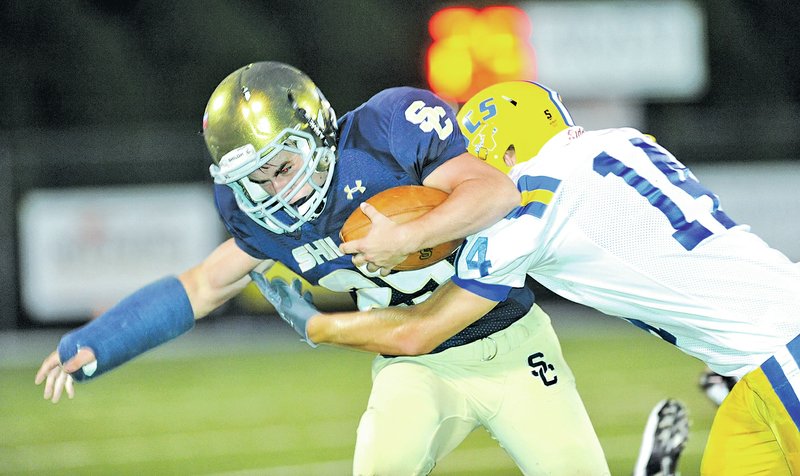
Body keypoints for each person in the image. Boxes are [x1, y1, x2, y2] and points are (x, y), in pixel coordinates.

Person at [35, 63, 611, 475]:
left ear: (317, 134)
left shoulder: (384, 134)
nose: (273, 190)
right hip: (412, 364)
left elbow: (493, 192)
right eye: (255, 180)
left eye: (281, 166)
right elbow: (203, 284)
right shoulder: (265, 220)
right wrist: (101, 341)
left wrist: (406, 236)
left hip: (510, 341)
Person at [261, 80, 800, 474]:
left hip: (782, 354)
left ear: (505, 151)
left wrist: (319, 325)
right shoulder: (627, 140)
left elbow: (416, 332)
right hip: (754, 370)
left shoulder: (527, 212)